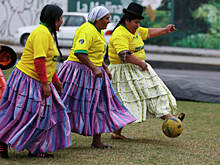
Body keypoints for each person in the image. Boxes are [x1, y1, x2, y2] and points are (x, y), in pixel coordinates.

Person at [57, 6, 136, 149]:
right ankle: (57, 136)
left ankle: (96, 140)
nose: (108, 21)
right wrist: (94, 68)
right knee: (66, 103)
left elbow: (97, 54)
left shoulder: (98, 31)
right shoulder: (87, 30)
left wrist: (105, 68)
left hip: (95, 73)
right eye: (106, 18)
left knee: (100, 105)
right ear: (97, 19)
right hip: (79, 72)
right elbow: (80, 53)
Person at [0, 4, 72, 158]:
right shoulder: (41, 33)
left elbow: (48, 61)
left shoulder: (47, 33)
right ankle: (2, 141)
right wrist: (45, 84)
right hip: (29, 80)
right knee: (23, 114)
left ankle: (36, 148)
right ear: (54, 19)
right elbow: (39, 60)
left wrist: (56, 81)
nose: (61, 22)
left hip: (39, 79)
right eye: (60, 19)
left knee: (43, 115)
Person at [108, 2, 185, 139]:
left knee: (155, 92)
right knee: (127, 101)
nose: (138, 25)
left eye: (139, 22)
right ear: (127, 20)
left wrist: (166, 30)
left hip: (137, 68)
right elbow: (123, 54)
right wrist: (140, 63)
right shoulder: (120, 33)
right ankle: (171, 120)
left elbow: (148, 32)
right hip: (123, 71)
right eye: (135, 22)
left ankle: (170, 119)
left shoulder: (135, 30)